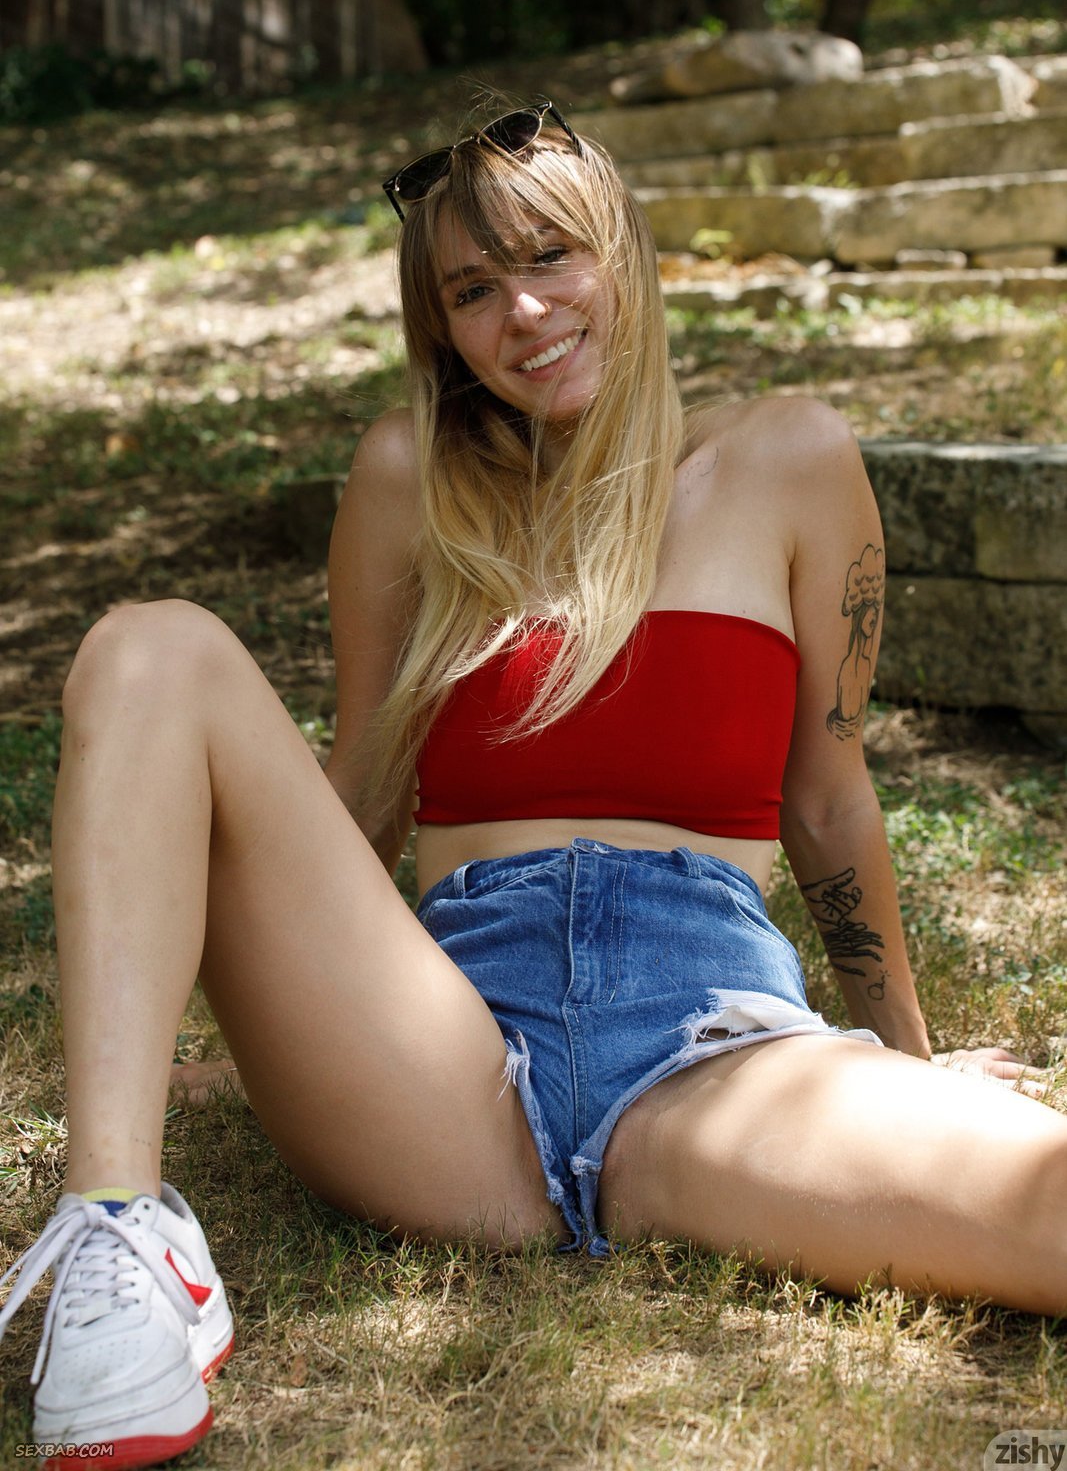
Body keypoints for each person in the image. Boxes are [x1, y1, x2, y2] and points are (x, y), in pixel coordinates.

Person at [1, 99, 1065, 1469]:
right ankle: (118, 1232)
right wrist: (266, 1028)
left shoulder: (788, 460)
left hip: (709, 1059)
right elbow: (365, 794)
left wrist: (907, 1053)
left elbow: (830, 801)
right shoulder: (408, 483)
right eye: (472, 289)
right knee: (150, 647)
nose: (524, 311)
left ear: (623, 250)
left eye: (551, 256)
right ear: (441, 327)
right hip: (441, 1059)